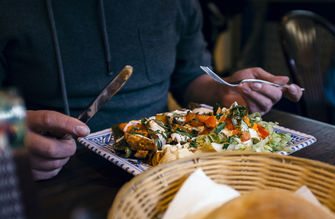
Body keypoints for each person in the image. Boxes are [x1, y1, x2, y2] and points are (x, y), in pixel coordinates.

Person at [0, 0, 302, 180]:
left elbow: (188, 78)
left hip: (164, 170)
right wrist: (8, 138)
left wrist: (224, 92)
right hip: (46, 178)